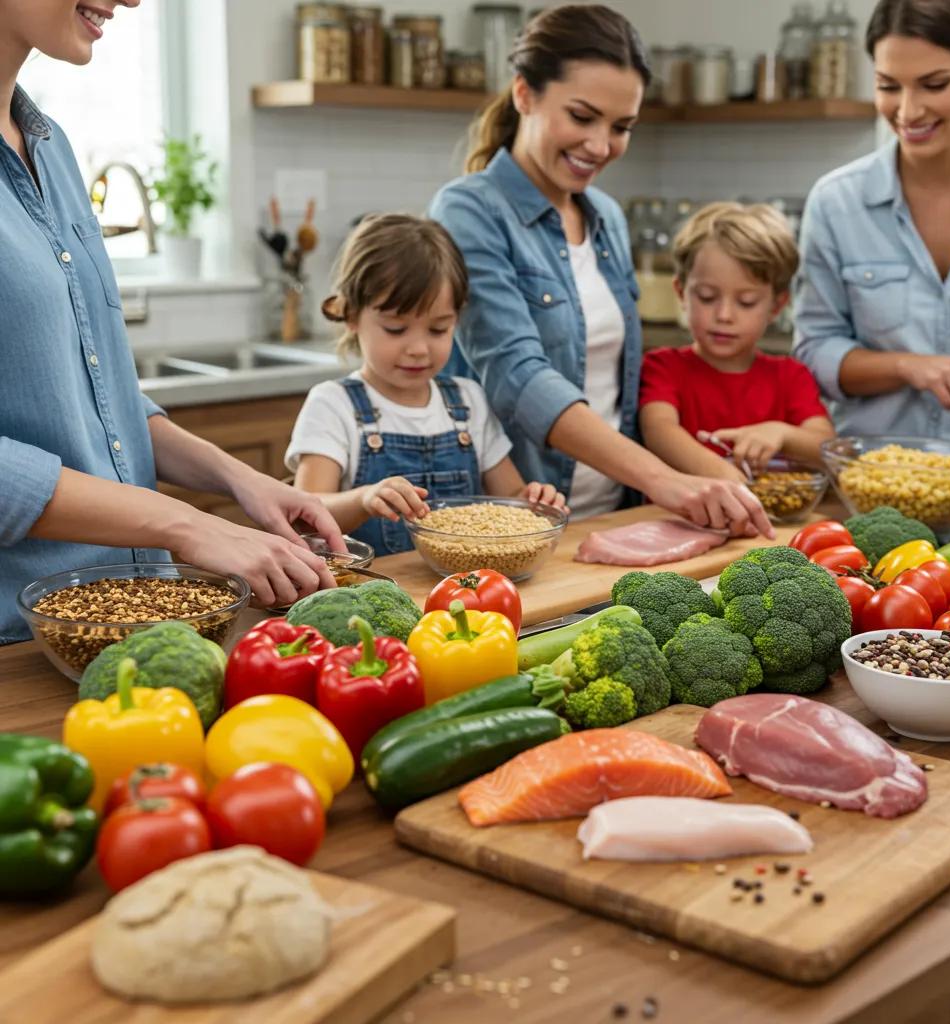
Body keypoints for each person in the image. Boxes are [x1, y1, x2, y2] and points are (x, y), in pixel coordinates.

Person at [0, 0, 344, 641]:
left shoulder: (51, 147)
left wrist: (238, 480)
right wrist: (188, 524)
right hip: (21, 645)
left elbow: (98, 400)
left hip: (144, 624)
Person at [428, 5, 772, 538]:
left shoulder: (606, 215)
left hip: (616, 510)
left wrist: (687, 473)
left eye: (622, 126)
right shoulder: (468, 211)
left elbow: (619, 381)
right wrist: (664, 478)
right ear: (525, 94)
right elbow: (518, 377)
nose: (600, 145)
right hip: (514, 522)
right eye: (582, 117)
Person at [794, 0, 950, 441]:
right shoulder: (837, 202)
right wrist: (907, 366)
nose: (908, 111)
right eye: (888, 86)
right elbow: (813, 353)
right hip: (876, 483)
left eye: (933, 85)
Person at [287, 214, 566, 555]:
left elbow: (510, 500)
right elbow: (306, 516)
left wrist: (535, 503)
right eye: (395, 329)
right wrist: (363, 499)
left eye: (438, 329)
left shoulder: (468, 401)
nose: (419, 348)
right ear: (351, 315)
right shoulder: (333, 404)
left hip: (465, 594)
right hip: (373, 597)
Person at [640, 202, 835, 480]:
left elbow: (826, 449)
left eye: (746, 302)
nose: (724, 315)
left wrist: (782, 433)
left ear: (777, 306)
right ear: (681, 292)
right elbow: (660, 432)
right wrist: (728, 479)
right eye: (707, 297)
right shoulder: (663, 367)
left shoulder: (790, 376)